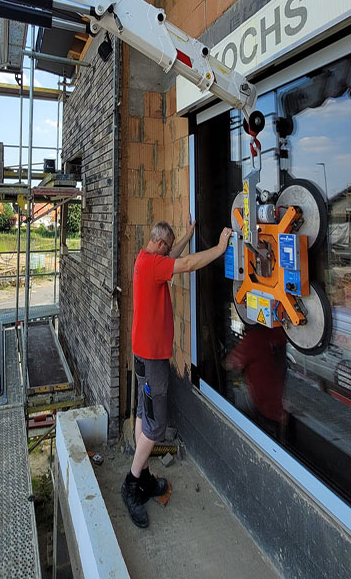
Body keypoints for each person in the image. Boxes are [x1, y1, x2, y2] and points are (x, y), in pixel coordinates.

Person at [121, 217, 232, 528]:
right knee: (155, 426)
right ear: (159, 245)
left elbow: (173, 258)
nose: (169, 252)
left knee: (144, 415)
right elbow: (186, 264)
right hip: (153, 359)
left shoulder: (146, 261)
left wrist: (187, 234)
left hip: (144, 354)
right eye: (167, 248)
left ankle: (141, 474)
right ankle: (132, 483)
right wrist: (220, 248)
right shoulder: (154, 265)